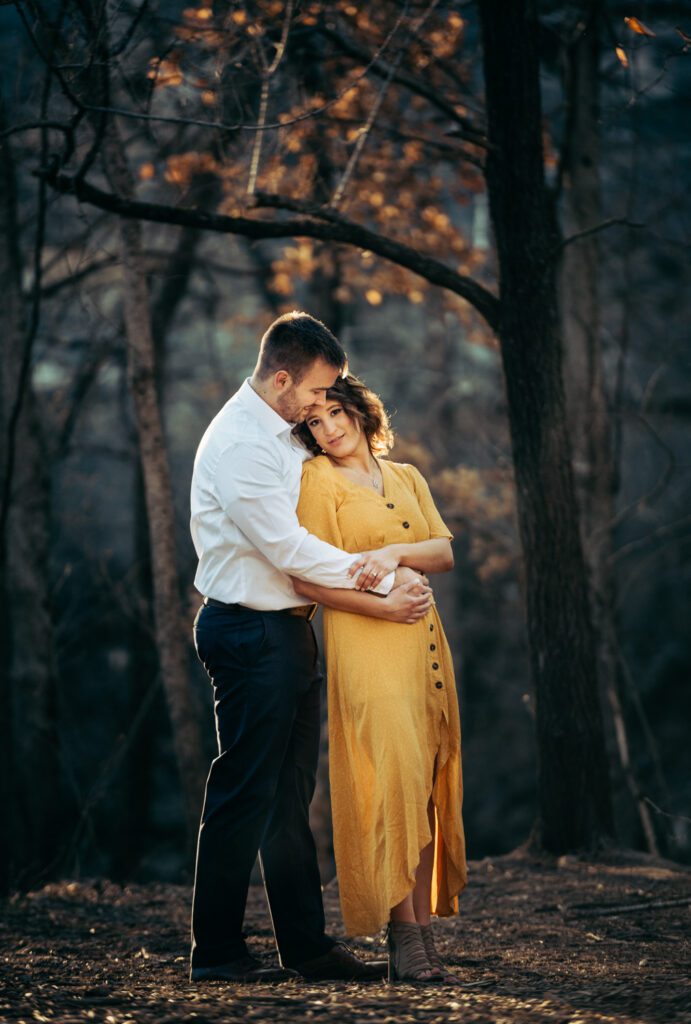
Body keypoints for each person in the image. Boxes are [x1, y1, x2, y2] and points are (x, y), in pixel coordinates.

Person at [189, 312, 433, 984]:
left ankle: (304, 946)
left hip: (285, 632)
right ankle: (216, 954)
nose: (322, 404)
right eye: (317, 390)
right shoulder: (242, 444)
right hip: (246, 631)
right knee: (242, 793)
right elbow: (288, 547)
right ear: (282, 377)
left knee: (286, 798)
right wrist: (382, 580)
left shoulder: (280, 431)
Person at [292, 374, 467, 983]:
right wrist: (383, 602)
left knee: (416, 785)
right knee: (391, 778)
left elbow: (443, 551)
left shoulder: (408, 477)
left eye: (336, 413)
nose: (330, 429)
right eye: (315, 422)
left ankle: (419, 936)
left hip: (423, 649)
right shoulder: (318, 481)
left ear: (361, 413)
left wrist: (393, 556)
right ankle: (402, 933)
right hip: (366, 645)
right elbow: (307, 578)